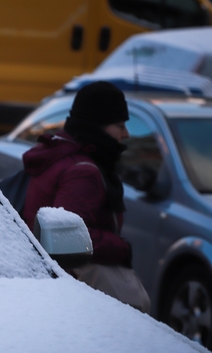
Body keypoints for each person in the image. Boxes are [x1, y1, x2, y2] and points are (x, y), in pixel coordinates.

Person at [22, 81, 150, 312]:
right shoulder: (83, 171)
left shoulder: (60, 153)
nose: (126, 134)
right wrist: (121, 247)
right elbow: (68, 238)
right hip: (73, 294)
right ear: (97, 126)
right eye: (119, 125)